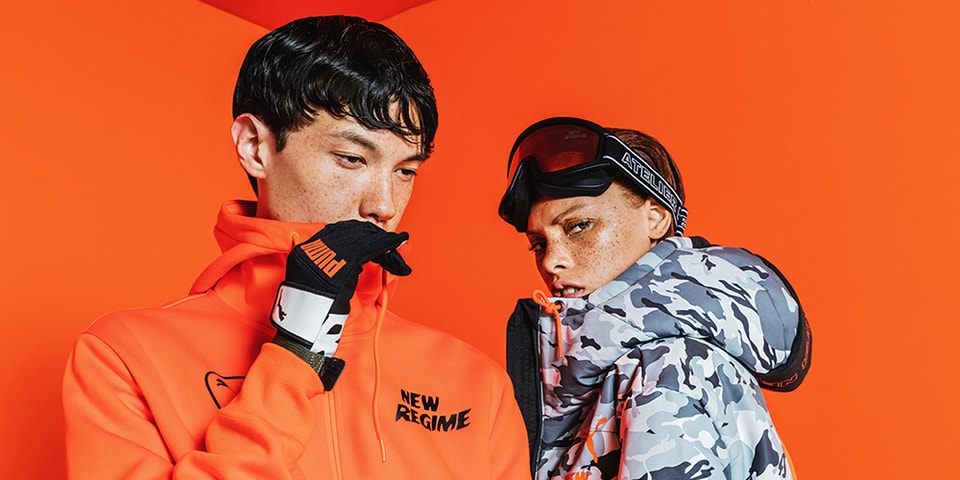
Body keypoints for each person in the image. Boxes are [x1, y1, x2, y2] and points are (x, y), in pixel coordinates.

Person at [62, 16, 529, 478]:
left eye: (406, 171)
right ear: (255, 147)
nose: (384, 205)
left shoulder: (478, 384)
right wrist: (297, 352)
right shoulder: (124, 356)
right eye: (351, 158)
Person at [498, 117, 812, 479]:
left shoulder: (669, 369)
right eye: (539, 244)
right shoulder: (618, 374)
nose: (551, 261)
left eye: (579, 226)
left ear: (656, 219)